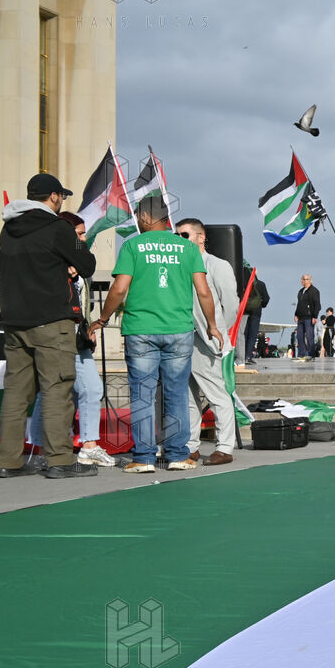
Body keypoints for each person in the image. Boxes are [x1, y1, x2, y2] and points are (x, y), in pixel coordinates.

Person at [90, 194, 220, 474]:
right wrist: (212, 325)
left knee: (142, 395)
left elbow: (120, 288)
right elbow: (203, 291)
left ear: (146, 217)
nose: (137, 220)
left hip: (141, 330)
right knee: (176, 394)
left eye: (138, 215)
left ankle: (144, 458)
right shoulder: (187, 249)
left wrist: (102, 319)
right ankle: (178, 455)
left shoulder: (133, 246)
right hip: (179, 330)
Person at [0, 178, 100, 479]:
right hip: (51, 320)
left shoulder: (9, 228)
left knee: (16, 394)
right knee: (57, 390)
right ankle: (60, 461)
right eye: (61, 197)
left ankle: (8, 461)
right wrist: (76, 242)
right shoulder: (58, 228)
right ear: (53, 196)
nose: (62, 201)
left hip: (15, 321)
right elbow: (87, 264)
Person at [175, 218, 240, 466]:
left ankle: (224, 447)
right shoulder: (179, 266)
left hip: (209, 339)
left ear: (201, 238)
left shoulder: (217, 265)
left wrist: (219, 329)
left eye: (184, 235)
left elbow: (231, 304)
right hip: (182, 337)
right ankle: (191, 445)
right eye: (177, 236)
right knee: (188, 396)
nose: (179, 240)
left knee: (217, 394)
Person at [242, 267, 269, 366]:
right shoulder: (261, 284)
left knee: (243, 334)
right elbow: (266, 299)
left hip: (244, 312)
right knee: (252, 335)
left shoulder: (243, 284)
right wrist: (261, 305)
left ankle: (241, 356)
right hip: (256, 312)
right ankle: (248, 356)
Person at [294, 274, 319, 362]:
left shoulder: (314, 291)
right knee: (299, 336)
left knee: (309, 336)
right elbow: (299, 304)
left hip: (309, 317)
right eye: (302, 279)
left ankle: (311, 355)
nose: (302, 281)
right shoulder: (301, 291)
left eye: (305, 279)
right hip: (301, 317)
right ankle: (302, 354)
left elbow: (317, 304)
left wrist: (315, 316)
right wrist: (296, 314)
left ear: (310, 280)